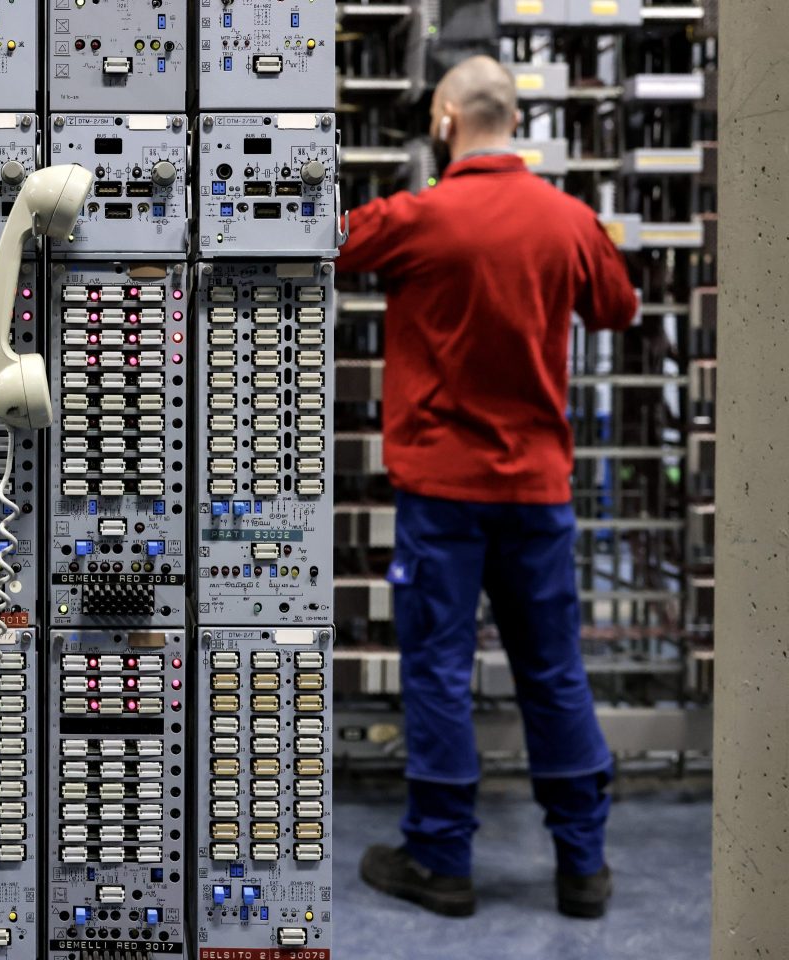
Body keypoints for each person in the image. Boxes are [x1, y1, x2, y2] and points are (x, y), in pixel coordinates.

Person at [336, 55, 640, 919]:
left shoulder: (418, 218)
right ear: (514, 119)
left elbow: (316, 238)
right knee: (553, 670)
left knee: (438, 667)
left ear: (444, 119)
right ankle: (582, 866)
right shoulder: (569, 220)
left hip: (443, 490)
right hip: (536, 490)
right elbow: (619, 310)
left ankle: (441, 860)